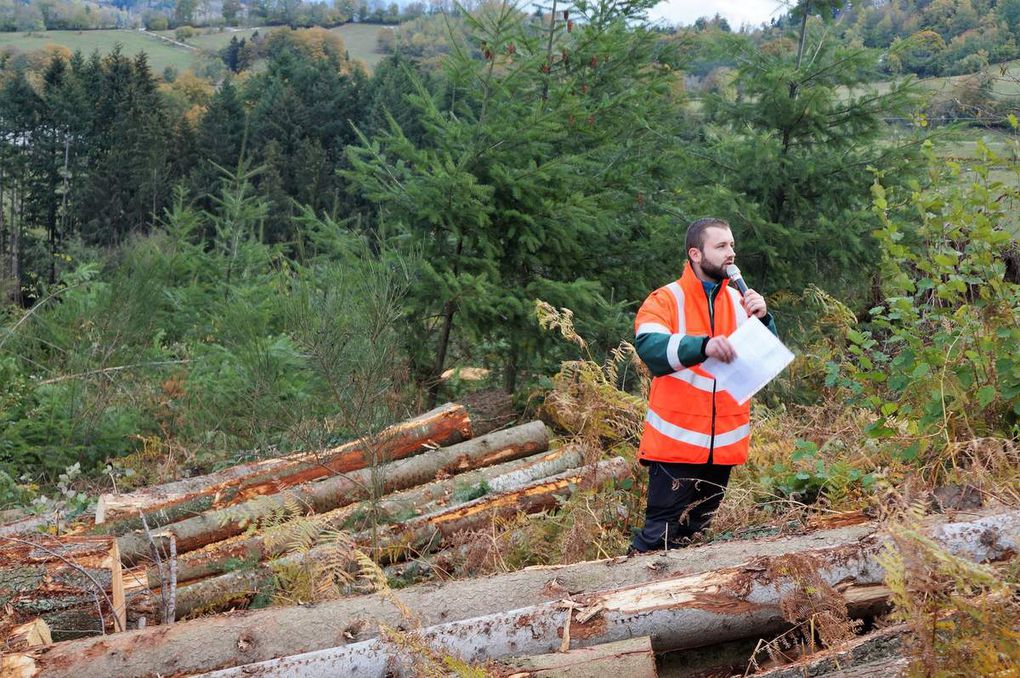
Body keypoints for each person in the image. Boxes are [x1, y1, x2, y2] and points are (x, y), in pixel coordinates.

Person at [629, 217, 777, 553]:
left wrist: (764, 319)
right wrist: (703, 346)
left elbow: (764, 362)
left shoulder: (741, 302)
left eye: (733, 246)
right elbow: (650, 348)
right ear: (696, 254)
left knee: (694, 539)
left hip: (723, 447)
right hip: (675, 445)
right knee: (657, 540)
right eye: (722, 246)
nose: (731, 253)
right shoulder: (666, 299)